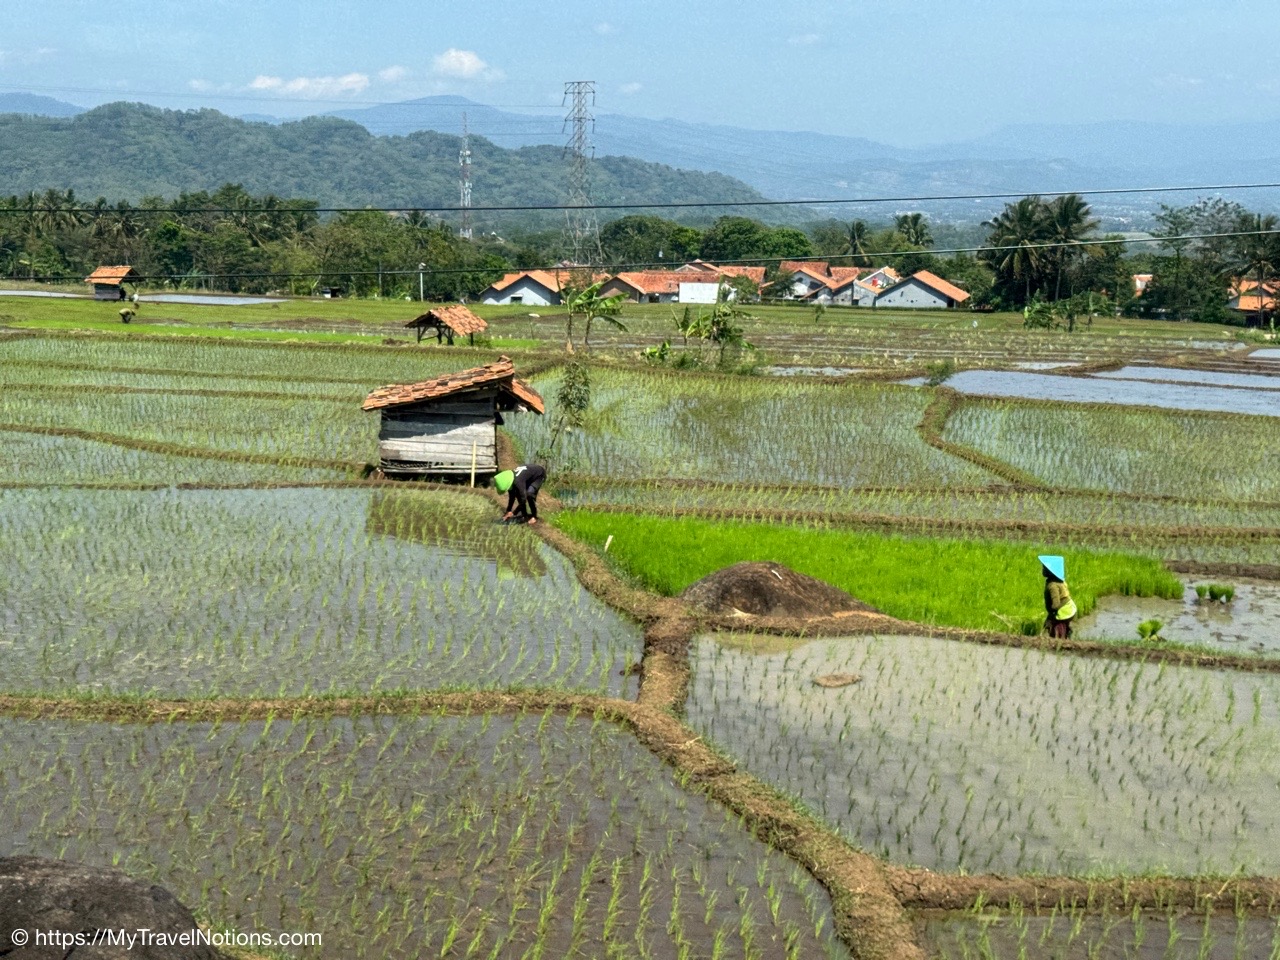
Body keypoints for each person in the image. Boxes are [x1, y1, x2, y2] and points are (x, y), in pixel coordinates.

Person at [1040, 554, 1077, 638]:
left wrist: (1051, 615)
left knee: (1057, 633)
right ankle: (1066, 634)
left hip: (1063, 611)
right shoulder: (1059, 580)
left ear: (1050, 571)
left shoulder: (1053, 585)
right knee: (1060, 628)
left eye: (1044, 568)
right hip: (1069, 607)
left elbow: (1056, 604)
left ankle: (1060, 641)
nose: (1042, 570)